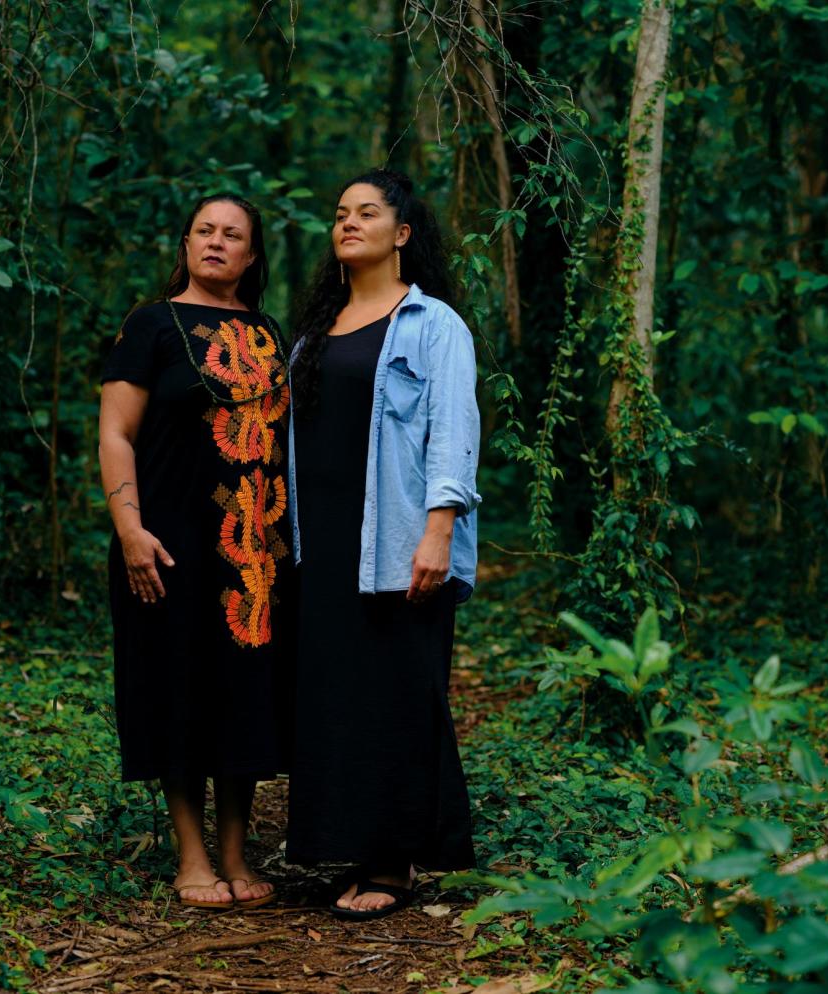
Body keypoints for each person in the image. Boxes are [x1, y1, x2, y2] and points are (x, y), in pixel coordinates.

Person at [286, 169, 479, 920]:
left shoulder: (434, 325)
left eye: (367, 213)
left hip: (399, 537)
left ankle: (393, 864)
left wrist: (439, 530)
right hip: (324, 541)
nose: (349, 223)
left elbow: (454, 434)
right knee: (339, 694)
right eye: (340, 213)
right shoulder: (313, 330)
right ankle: (347, 844)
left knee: (401, 689)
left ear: (403, 234)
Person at [98, 194, 292, 910]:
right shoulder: (150, 326)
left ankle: (238, 853)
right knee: (179, 682)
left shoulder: (271, 334)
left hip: (253, 547)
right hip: (169, 541)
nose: (216, 242)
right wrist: (129, 530)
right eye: (204, 231)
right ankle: (191, 854)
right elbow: (116, 433)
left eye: (232, 234)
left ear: (250, 254)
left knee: (243, 688)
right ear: (184, 245)